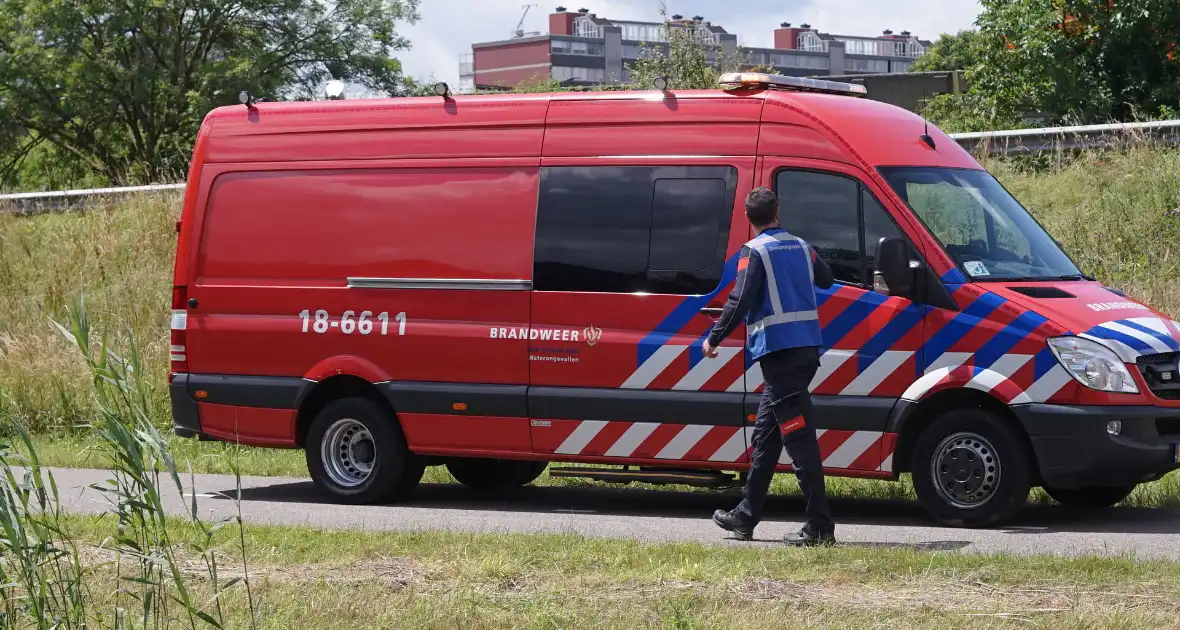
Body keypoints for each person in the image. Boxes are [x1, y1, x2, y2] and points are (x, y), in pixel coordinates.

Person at [703, 186, 836, 546]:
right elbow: (826, 279)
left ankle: (820, 527)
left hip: (780, 357)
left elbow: (740, 298)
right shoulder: (801, 246)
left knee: (800, 441)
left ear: (748, 218)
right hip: (805, 352)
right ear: (778, 211)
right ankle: (745, 518)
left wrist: (714, 337)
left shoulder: (755, 251)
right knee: (766, 436)